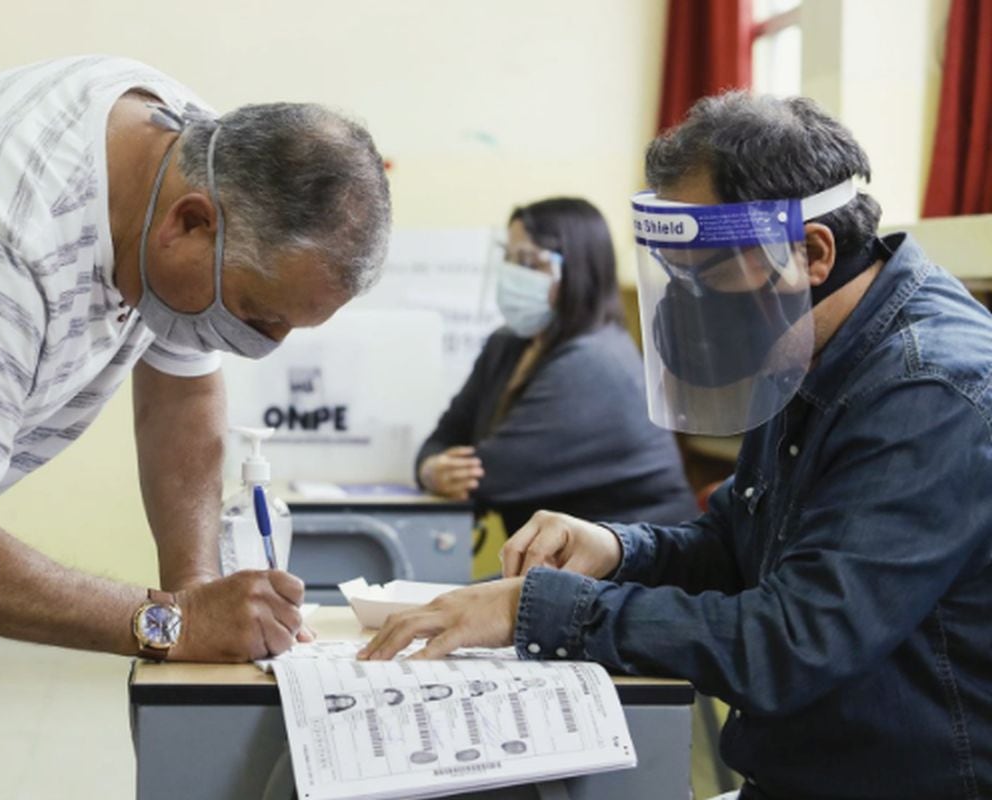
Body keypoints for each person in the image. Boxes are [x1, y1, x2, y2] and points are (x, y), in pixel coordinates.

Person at [360, 92, 992, 799]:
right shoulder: (804, 344)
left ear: (811, 254)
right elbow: (732, 547)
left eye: (706, 273)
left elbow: (794, 640)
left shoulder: (930, 389)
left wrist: (532, 610)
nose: (686, 304)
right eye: (675, 273)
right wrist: (617, 548)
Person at [0, 55, 390, 799]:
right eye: (258, 313)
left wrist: (195, 589)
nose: (265, 345)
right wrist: (167, 624)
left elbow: (181, 394)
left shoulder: (191, 161)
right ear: (191, 223)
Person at [415, 198, 697, 534]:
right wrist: (429, 468)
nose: (513, 273)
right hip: (566, 563)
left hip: (639, 564)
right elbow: (443, 437)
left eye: (529, 262)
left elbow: (487, 477)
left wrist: (435, 471)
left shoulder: (594, 362)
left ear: (577, 271)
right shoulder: (507, 345)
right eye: (508, 257)